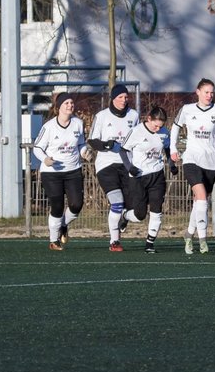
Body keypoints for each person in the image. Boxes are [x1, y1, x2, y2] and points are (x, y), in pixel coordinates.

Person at [170, 78, 215, 255]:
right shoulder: (187, 110)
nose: (210, 95)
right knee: (202, 198)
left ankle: (189, 234)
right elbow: (175, 127)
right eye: (206, 92)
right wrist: (173, 149)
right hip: (191, 159)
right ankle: (203, 240)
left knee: (199, 203)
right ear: (198, 92)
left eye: (212, 92)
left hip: (210, 161)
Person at [32, 92, 88, 251]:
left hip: (73, 170)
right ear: (59, 108)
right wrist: (45, 159)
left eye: (71, 103)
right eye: (66, 103)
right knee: (57, 206)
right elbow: (37, 148)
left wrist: (85, 152)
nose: (70, 105)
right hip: (52, 172)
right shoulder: (49, 127)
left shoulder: (78, 123)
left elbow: (81, 144)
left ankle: (63, 225)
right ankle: (53, 240)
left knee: (76, 204)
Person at [86, 83, 139, 252]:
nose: (124, 100)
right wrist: (107, 145)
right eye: (120, 97)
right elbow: (92, 141)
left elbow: (138, 138)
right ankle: (114, 242)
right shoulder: (101, 116)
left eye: (126, 97)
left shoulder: (134, 115)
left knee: (133, 208)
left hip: (127, 165)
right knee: (117, 203)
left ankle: (124, 217)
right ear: (113, 99)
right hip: (106, 165)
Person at [119, 105, 177, 254]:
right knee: (140, 214)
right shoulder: (136, 131)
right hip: (138, 176)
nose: (158, 129)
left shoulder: (164, 132)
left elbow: (168, 149)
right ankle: (125, 215)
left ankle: (150, 243)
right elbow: (123, 150)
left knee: (157, 209)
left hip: (157, 175)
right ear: (149, 119)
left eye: (161, 126)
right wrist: (129, 167)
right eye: (155, 125)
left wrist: (171, 165)